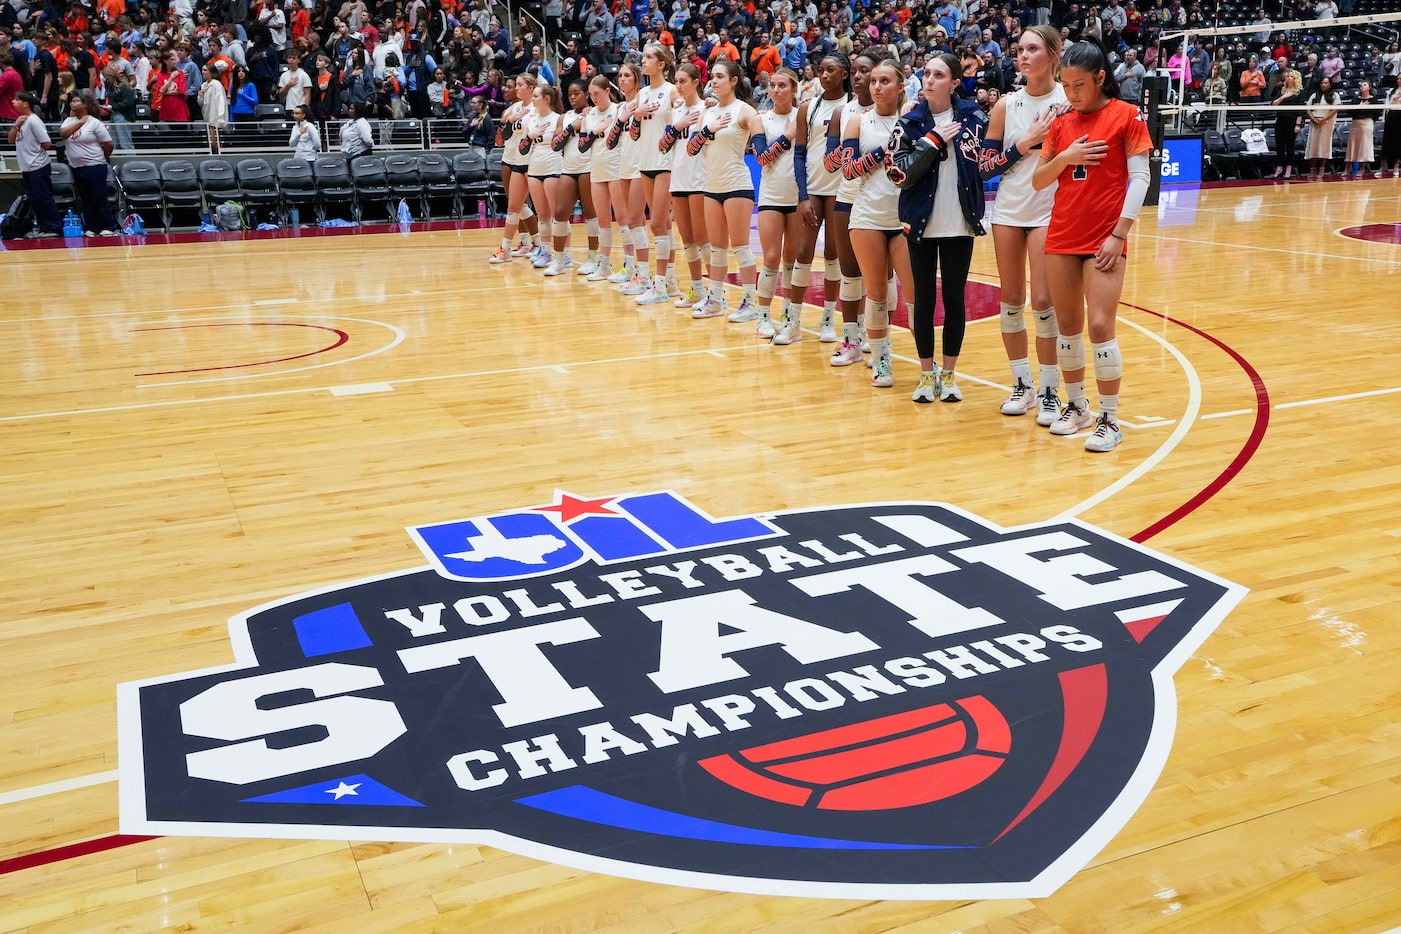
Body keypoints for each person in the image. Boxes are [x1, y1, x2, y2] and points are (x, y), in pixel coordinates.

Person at [1032, 41, 1152, 453]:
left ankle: (1110, 419)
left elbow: (1140, 179)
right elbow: (1039, 180)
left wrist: (1119, 234)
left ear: (1101, 78)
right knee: (1068, 328)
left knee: (1100, 326)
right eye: (1065, 85)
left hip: (1104, 238)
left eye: (1078, 85)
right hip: (1062, 235)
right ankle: (1077, 406)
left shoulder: (1126, 115)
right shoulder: (1062, 123)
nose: (1071, 94)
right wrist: (1067, 155)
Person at [978, 25, 1068, 424]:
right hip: (1010, 211)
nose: (1024, 56)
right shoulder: (1006, 106)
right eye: (1019, 49)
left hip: (1051, 210)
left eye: (1032, 49)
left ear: (1053, 53)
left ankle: (1050, 391)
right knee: (1011, 301)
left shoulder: (1070, 100)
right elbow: (984, 168)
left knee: (1044, 302)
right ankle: (1023, 385)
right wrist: (1025, 143)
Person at [889, 52, 987, 404]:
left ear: (955, 82)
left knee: (955, 300)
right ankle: (925, 374)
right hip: (920, 221)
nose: (929, 80)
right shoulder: (910, 121)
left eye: (938, 75)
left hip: (960, 221)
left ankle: (949, 374)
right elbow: (897, 174)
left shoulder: (975, 118)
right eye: (926, 74)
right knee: (924, 301)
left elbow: (987, 166)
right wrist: (931, 141)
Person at [839, 59, 913, 390]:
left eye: (886, 81)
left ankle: (928, 360)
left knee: (915, 294)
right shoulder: (857, 121)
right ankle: (881, 360)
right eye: (874, 81)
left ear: (900, 86)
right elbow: (849, 170)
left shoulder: (912, 119)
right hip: (867, 216)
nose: (877, 86)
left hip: (907, 217)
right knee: (876, 293)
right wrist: (886, 149)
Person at [687, 58, 763, 320]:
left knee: (740, 247)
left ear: (733, 81)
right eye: (713, 77)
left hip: (737, 185)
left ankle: (751, 302)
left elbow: (762, 134)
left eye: (720, 77)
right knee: (717, 248)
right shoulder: (707, 113)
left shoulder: (745, 111)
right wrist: (707, 130)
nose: (714, 81)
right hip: (712, 185)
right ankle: (716, 300)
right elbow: (691, 148)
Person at [823, 51, 877, 367]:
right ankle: (851, 341)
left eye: (864, 71)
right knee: (849, 274)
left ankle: (878, 337)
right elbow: (831, 164)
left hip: (882, 202)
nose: (857, 76)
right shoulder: (841, 113)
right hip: (846, 198)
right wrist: (844, 156)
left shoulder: (897, 113)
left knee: (879, 278)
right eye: (854, 71)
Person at [792, 52, 851, 346]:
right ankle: (792, 318)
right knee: (803, 252)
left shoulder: (854, 107)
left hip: (842, 190)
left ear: (844, 74)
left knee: (833, 255)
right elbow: (800, 153)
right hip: (814, 188)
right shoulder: (808, 107)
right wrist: (802, 196)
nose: (824, 75)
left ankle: (828, 317)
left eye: (831, 70)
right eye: (820, 70)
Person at [750, 67, 804, 342]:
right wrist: (788, 136)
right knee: (770, 257)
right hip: (771, 196)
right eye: (772, 85)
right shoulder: (761, 119)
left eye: (782, 85)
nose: (776, 90)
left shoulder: (803, 117)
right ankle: (762, 316)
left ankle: (788, 317)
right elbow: (762, 159)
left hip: (798, 198)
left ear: (794, 90)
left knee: (791, 261)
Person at [629, 44, 680, 306]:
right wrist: (635, 117)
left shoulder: (671, 91)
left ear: (661, 64)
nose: (644, 61)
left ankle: (659, 285)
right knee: (664, 225)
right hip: (645, 160)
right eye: (644, 57)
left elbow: (683, 124)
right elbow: (634, 134)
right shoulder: (641, 94)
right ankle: (670, 281)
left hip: (666, 162)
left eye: (649, 57)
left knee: (658, 223)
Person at [666, 62, 711, 306]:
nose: (679, 86)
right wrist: (677, 126)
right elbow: (663, 145)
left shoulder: (707, 108)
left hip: (699, 179)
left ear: (696, 82)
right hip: (678, 178)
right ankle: (697, 290)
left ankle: (716, 293)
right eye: (677, 81)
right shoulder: (676, 110)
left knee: (703, 239)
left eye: (684, 81)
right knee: (687, 240)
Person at [489, 74, 542, 263]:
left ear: (530, 87)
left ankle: (539, 244)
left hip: (533, 161)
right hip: (513, 158)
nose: (515, 88)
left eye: (519, 85)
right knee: (515, 205)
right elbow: (503, 134)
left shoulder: (537, 108)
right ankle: (515, 245)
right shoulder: (515, 107)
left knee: (536, 207)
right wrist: (510, 119)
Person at [523, 82, 569, 275]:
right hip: (534, 167)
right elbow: (522, 147)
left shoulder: (559, 118)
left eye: (535, 96)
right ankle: (546, 251)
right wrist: (528, 137)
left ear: (546, 99)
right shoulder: (530, 120)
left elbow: (564, 144)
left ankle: (565, 253)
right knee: (541, 214)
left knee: (557, 214)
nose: (532, 99)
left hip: (553, 167)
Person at [583, 73, 626, 280]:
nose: (593, 98)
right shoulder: (589, 114)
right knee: (603, 221)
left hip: (617, 169)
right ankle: (605, 264)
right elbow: (583, 146)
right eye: (591, 95)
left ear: (608, 91)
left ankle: (630, 265)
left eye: (597, 93)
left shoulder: (618, 110)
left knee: (624, 219)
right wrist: (594, 133)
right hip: (597, 170)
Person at [58, 93, 119, 236]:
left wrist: (104, 157)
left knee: (98, 197)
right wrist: (80, 122)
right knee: (85, 199)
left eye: (76, 101)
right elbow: (64, 133)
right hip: (77, 167)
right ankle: (91, 227)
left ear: (85, 104)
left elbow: (108, 143)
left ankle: (108, 226)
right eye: (71, 102)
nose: (72, 104)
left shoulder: (95, 122)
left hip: (95, 166)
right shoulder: (69, 120)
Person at [554, 79, 600, 273]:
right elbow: (555, 144)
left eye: (577, 93)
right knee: (560, 212)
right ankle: (559, 259)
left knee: (590, 213)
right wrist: (572, 126)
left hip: (588, 167)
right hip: (568, 168)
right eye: (570, 94)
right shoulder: (563, 117)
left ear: (586, 95)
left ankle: (593, 257)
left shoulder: (594, 113)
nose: (572, 97)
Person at [609, 62, 646, 293]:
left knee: (635, 219)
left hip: (641, 165)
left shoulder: (643, 99)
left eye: (627, 76)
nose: (622, 79)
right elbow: (610, 140)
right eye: (620, 75)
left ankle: (644, 275)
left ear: (636, 79)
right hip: (623, 164)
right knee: (629, 221)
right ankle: (632, 267)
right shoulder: (620, 107)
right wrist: (621, 119)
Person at [7, 91, 61, 237]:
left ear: (25, 104)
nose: (13, 102)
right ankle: (44, 228)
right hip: (27, 167)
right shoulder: (21, 120)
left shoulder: (34, 121)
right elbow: (10, 140)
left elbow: (47, 143)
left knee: (43, 197)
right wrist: (15, 126)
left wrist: (35, 152)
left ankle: (53, 227)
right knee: (35, 199)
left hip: (38, 166)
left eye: (16, 100)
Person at [1304, 76, 1340, 179]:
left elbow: (1335, 109)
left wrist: (1324, 119)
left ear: (1330, 84)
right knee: (1313, 146)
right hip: (1315, 122)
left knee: (1323, 146)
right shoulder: (1315, 95)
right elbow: (1308, 108)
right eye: (1322, 83)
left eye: (1325, 83)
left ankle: (1322, 169)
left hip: (1326, 123)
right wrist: (1313, 119)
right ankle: (1312, 169)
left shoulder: (1334, 95)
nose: (1323, 85)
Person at [1271, 69, 1302, 178]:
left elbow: (1300, 111)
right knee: (1279, 145)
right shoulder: (1281, 91)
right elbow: (1274, 104)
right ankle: (1279, 167)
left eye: (1291, 76)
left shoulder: (1299, 93)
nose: (1289, 78)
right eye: (1287, 76)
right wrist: (1284, 96)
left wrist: (1298, 124)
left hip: (1292, 122)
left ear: (1295, 79)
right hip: (1280, 120)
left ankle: (1288, 168)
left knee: (1290, 146)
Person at [1345, 82, 1379, 179]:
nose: (1362, 87)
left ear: (1369, 87)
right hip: (1356, 123)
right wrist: (1360, 107)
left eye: (1364, 85)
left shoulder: (1373, 100)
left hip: (1367, 123)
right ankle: (1348, 168)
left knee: (1364, 145)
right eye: (1360, 85)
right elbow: (1350, 112)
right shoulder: (1355, 99)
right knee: (1352, 145)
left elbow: (1376, 113)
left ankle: (1362, 168)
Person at [1380, 83, 1401, 177]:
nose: (1399, 81)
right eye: (1398, 79)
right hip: (1391, 115)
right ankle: (1383, 167)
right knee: (1387, 141)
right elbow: (1386, 104)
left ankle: (1396, 166)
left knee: (1398, 142)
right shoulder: (1391, 91)